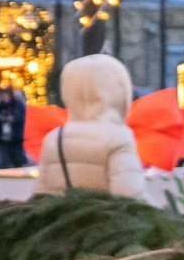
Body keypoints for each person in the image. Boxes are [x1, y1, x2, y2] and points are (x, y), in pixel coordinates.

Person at [32, 53, 146, 199]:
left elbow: (43, 194)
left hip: (67, 219)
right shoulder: (118, 138)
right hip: (104, 220)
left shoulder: (54, 138)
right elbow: (131, 196)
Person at [0, 83, 28, 168]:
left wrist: (13, 119)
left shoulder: (18, 105)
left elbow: (22, 117)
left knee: (17, 161)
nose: (4, 98)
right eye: (2, 96)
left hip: (15, 138)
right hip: (2, 138)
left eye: (6, 96)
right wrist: (0, 119)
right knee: (3, 162)